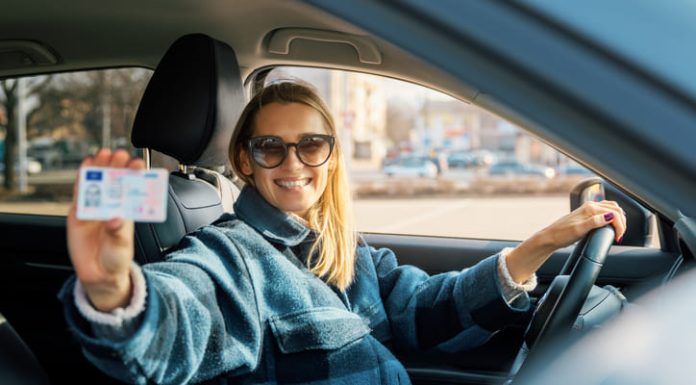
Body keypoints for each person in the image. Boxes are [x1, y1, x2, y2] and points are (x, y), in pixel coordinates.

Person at [59, 82, 626, 385]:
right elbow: (185, 312)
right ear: (247, 161)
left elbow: (423, 310)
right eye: (270, 147)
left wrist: (541, 245)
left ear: (331, 156)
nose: (293, 162)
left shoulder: (342, 251)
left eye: (311, 144)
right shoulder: (233, 255)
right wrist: (116, 293)